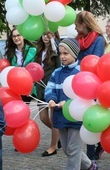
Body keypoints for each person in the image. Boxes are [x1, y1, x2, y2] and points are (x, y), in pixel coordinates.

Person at [45, 38, 98, 170]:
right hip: (60, 117)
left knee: (73, 151)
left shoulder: (82, 72)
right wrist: (51, 99)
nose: (62, 56)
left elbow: (87, 95)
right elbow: (49, 89)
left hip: (76, 118)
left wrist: (69, 103)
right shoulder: (56, 73)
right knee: (67, 149)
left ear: (74, 54)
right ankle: (90, 165)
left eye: (66, 53)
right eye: (61, 53)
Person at [75, 10, 105, 161]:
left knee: (90, 119)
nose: (74, 28)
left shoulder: (98, 40)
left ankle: (91, 154)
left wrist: (80, 64)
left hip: (93, 83)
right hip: (80, 83)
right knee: (83, 118)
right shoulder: (78, 40)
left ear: (84, 25)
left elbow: (96, 61)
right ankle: (92, 151)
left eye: (76, 25)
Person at [35, 31, 61, 157]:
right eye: (43, 34)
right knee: (43, 118)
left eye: (48, 34)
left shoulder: (56, 51)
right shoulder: (38, 50)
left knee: (53, 119)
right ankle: (60, 135)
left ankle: (53, 146)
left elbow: (59, 68)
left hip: (52, 88)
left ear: (54, 35)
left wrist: (53, 42)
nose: (45, 36)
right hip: (40, 88)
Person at [4, 27, 37, 102]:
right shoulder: (10, 53)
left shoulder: (33, 50)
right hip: (15, 85)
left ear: (23, 36)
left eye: (18, 35)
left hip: (29, 84)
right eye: (14, 36)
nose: (16, 38)